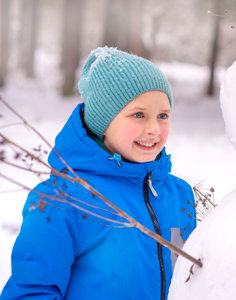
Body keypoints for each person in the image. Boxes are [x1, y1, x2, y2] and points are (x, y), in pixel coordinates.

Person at [1, 47, 197, 300]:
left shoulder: (179, 194)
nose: (154, 129)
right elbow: (32, 291)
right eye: (138, 114)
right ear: (102, 123)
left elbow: (191, 280)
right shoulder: (62, 200)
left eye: (163, 116)